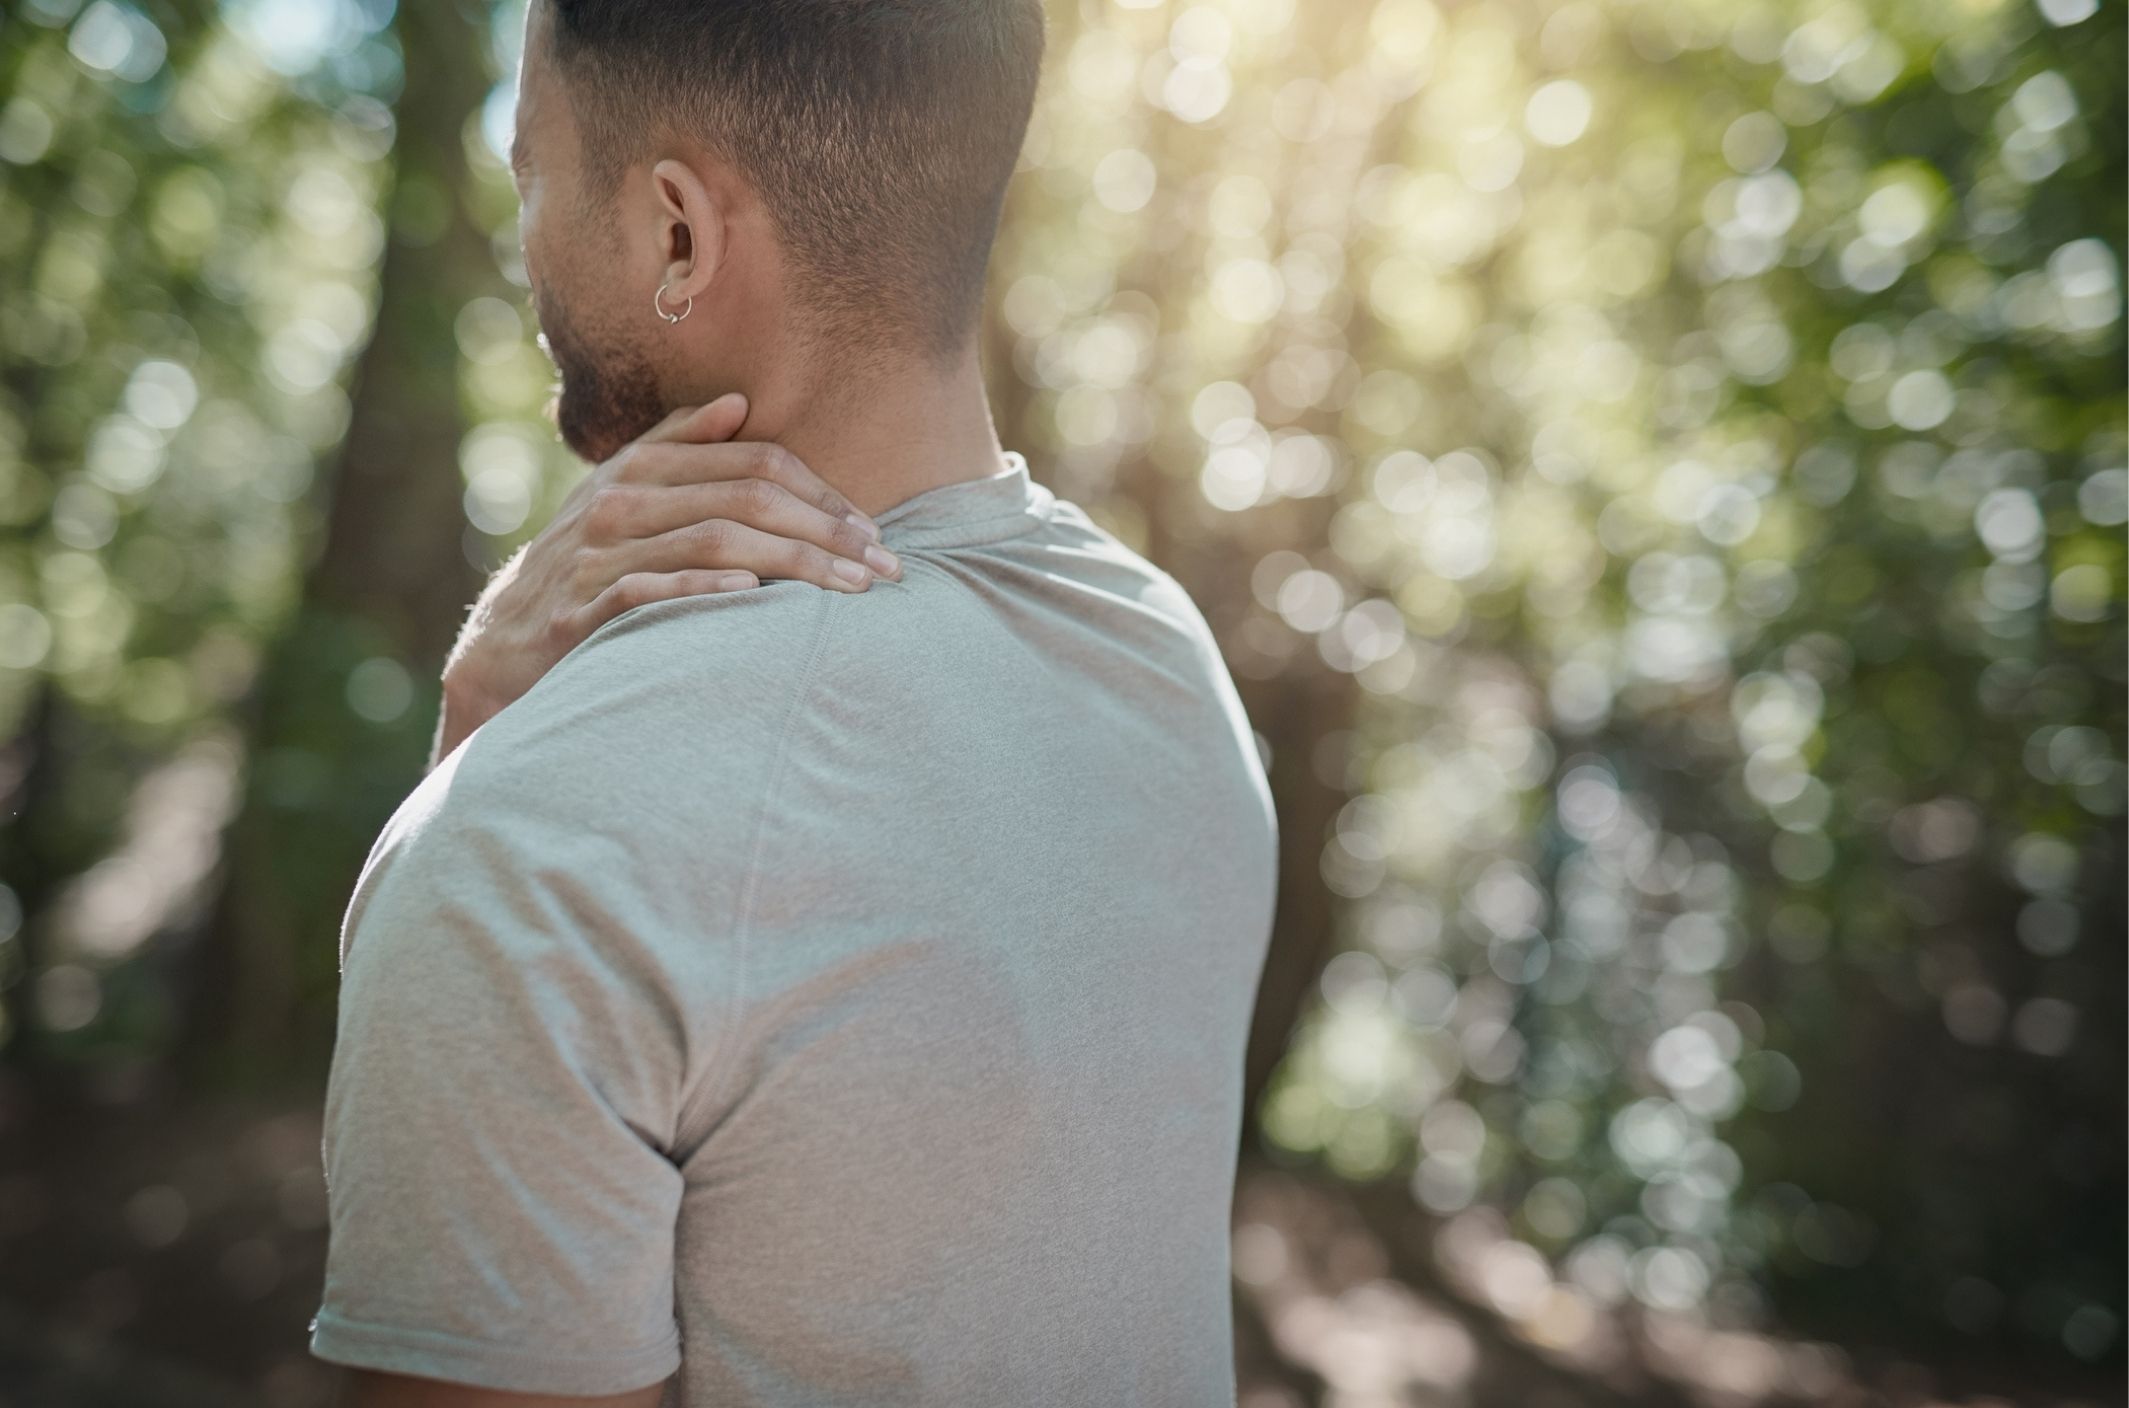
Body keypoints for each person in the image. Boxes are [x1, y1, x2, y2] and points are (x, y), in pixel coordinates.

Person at [305, 2, 1280, 1405]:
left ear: (678, 236)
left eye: (529, 169)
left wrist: (472, 777)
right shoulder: (1164, 664)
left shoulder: (538, 850)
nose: (518, 229)